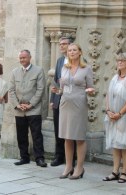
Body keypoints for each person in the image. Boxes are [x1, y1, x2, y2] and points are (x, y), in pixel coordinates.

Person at [58, 43, 95, 179]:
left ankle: (79, 167)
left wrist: (91, 92)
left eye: (74, 50)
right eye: (69, 50)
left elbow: (91, 88)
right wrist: (57, 91)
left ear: (80, 52)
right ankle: (68, 166)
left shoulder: (87, 69)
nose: (71, 52)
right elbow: (62, 87)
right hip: (65, 103)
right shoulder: (64, 68)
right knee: (67, 137)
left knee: (79, 137)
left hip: (79, 104)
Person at [102, 53, 126, 183]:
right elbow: (108, 95)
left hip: (125, 116)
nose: (120, 62)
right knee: (116, 144)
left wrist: (120, 113)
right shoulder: (114, 77)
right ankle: (115, 171)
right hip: (113, 115)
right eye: (118, 60)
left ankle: (124, 172)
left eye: (123, 60)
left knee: (125, 144)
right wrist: (108, 110)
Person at [9, 49, 47, 168]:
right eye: (20, 58)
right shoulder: (15, 72)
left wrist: (30, 104)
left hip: (33, 109)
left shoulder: (39, 71)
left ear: (30, 58)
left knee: (36, 135)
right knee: (21, 134)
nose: (22, 60)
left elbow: (41, 89)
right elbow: (11, 90)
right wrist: (17, 105)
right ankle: (24, 157)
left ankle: (39, 158)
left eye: (24, 57)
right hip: (19, 109)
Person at [50, 37, 72, 166]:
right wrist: (53, 99)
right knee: (58, 129)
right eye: (60, 44)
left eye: (64, 44)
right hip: (58, 99)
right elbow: (55, 81)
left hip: (71, 100)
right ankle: (59, 156)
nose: (62, 46)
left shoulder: (79, 62)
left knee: (71, 130)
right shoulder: (59, 61)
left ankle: (71, 158)